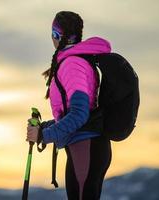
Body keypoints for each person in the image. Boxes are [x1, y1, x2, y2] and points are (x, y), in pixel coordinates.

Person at [26, 11, 112, 200]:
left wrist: (43, 135)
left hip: (86, 148)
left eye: (53, 34)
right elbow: (76, 113)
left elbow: (79, 114)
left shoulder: (72, 64)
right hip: (83, 147)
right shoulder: (74, 60)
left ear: (56, 35)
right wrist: (43, 127)